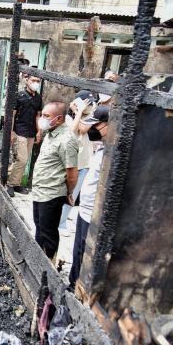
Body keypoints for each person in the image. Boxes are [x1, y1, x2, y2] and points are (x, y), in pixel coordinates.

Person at [68, 105, 109, 291]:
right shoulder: (103, 148)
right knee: (78, 251)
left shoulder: (113, 155)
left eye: (97, 126)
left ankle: (80, 289)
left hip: (94, 213)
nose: (93, 130)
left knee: (86, 253)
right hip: (84, 210)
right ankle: (72, 283)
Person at [31, 101, 79, 259]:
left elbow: (72, 173)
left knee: (48, 232)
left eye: (46, 116)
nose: (42, 119)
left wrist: (69, 192)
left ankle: (50, 264)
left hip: (52, 193)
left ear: (58, 119)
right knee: (39, 227)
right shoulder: (51, 133)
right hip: (40, 190)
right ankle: (38, 260)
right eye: (42, 115)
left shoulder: (67, 139)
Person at [59, 90, 96, 236]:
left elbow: (84, 128)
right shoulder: (67, 117)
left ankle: (62, 222)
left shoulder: (92, 115)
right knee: (62, 193)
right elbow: (75, 129)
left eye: (91, 103)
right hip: (70, 163)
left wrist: (81, 111)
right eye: (87, 102)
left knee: (73, 195)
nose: (90, 105)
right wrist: (77, 111)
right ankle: (57, 220)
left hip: (84, 162)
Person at [7, 75, 43, 197]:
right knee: (22, 159)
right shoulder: (19, 95)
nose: (36, 83)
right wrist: (11, 132)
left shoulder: (38, 98)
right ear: (27, 81)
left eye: (38, 81)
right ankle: (11, 184)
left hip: (31, 133)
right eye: (33, 80)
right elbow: (12, 115)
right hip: (19, 131)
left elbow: (38, 116)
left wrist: (39, 131)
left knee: (24, 160)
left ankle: (16, 184)